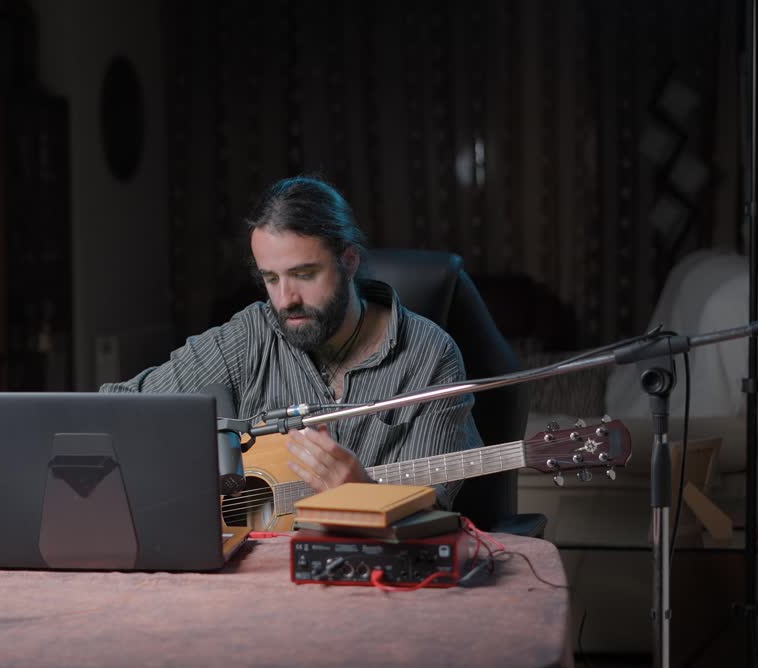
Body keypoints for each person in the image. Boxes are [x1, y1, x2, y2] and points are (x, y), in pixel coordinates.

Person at [100, 175, 480, 509]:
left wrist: (363, 494)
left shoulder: (431, 356)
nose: (286, 300)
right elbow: (120, 408)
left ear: (348, 260)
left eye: (303, 274)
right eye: (271, 278)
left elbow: (431, 515)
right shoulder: (249, 336)